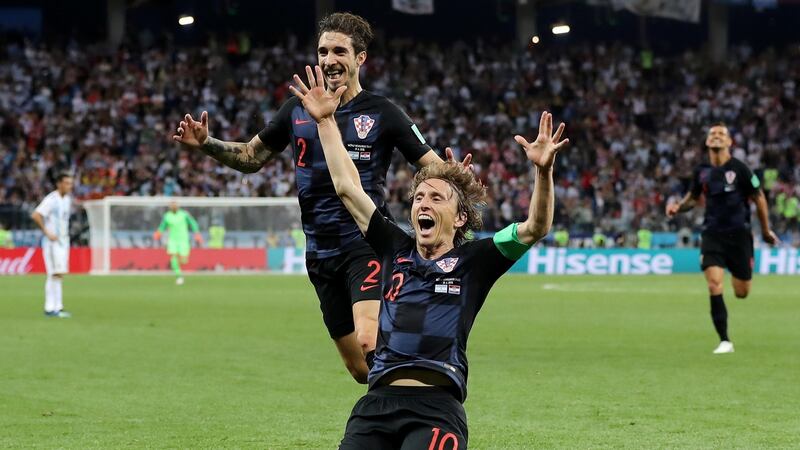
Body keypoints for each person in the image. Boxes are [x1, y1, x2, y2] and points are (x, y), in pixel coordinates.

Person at [173, 12, 469, 383]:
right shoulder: (296, 109)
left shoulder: (383, 113)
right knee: (360, 370)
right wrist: (206, 143)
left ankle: (424, 391)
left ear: (360, 58)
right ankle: (398, 399)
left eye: (339, 51)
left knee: (368, 340)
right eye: (323, 51)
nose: (329, 60)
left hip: (366, 242)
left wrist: (458, 175)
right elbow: (251, 157)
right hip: (320, 252)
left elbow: (432, 165)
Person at [290, 65, 568, 448]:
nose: (424, 202)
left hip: (437, 408)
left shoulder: (477, 260)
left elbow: (535, 227)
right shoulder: (394, 247)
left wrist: (542, 172)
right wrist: (325, 122)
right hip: (376, 404)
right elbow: (347, 187)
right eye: (420, 197)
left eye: (437, 198)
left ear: (459, 218)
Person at [666, 124, 778, 354]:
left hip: (739, 236)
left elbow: (760, 199)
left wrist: (766, 231)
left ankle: (737, 275)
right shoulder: (702, 171)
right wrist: (678, 207)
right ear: (707, 142)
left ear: (729, 143)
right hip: (712, 234)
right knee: (714, 284)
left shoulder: (741, 169)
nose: (716, 137)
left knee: (741, 292)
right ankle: (725, 340)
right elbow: (692, 197)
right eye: (713, 134)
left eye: (721, 134)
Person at [31, 173, 74, 318]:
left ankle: (58, 307)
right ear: (59, 184)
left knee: (59, 274)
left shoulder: (67, 200)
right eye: (67, 183)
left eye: (70, 183)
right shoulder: (52, 199)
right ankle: (50, 308)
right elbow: (36, 215)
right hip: (52, 243)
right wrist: (47, 232)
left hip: (63, 241)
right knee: (53, 273)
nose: (70, 186)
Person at [153, 201, 203, 285]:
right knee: (173, 258)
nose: (174, 207)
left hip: (183, 240)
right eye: (172, 206)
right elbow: (163, 226)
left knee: (183, 260)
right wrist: (158, 232)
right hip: (173, 240)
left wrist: (197, 233)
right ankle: (179, 276)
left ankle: (179, 270)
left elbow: (193, 223)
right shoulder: (167, 216)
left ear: (178, 206)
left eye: (175, 205)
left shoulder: (184, 214)